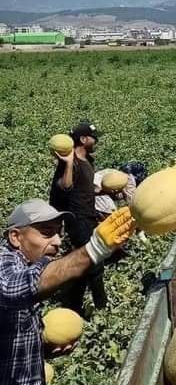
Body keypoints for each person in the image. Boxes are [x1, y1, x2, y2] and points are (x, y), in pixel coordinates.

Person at [0, 200, 133, 385]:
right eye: (47, 233)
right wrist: (92, 251)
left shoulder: (29, 264)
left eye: (59, 232)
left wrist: (44, 347)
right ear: (15, 237)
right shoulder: (4, 266)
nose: (58, 241)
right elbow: (11, 289)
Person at [48, 122, 107, 314]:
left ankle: (71, 304)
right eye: (93, 137)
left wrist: (98, 192)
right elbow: (65, 186)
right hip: (77, 219)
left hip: (89, 215)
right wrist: (66, 163)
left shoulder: (88, 159)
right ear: (83, 139)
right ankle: (102, 306)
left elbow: (84, 186)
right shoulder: (70, 163)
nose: (96, 140)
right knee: (94, 262)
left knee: (85, 262)